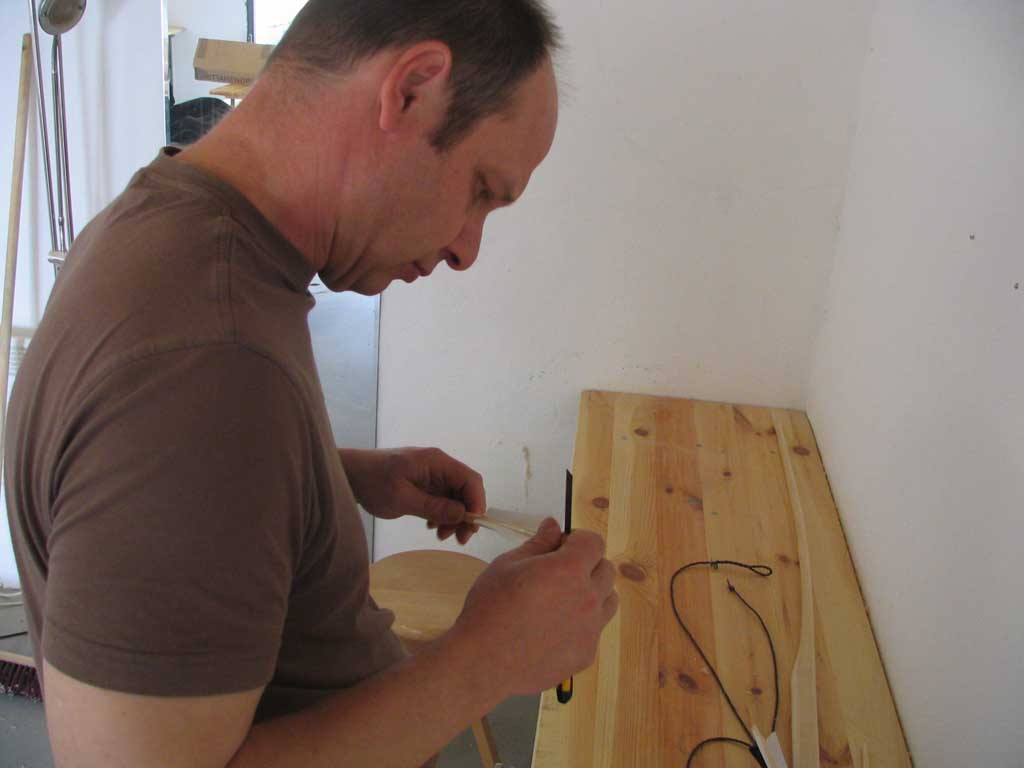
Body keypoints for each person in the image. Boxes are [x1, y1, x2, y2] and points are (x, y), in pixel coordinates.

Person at [4, 0, 619, 766]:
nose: (467, 249)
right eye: (480, 190)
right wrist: (486, 661)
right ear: (411, 90)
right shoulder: (206, 366)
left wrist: (331, 478)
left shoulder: (164, 224)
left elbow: (174, 488)